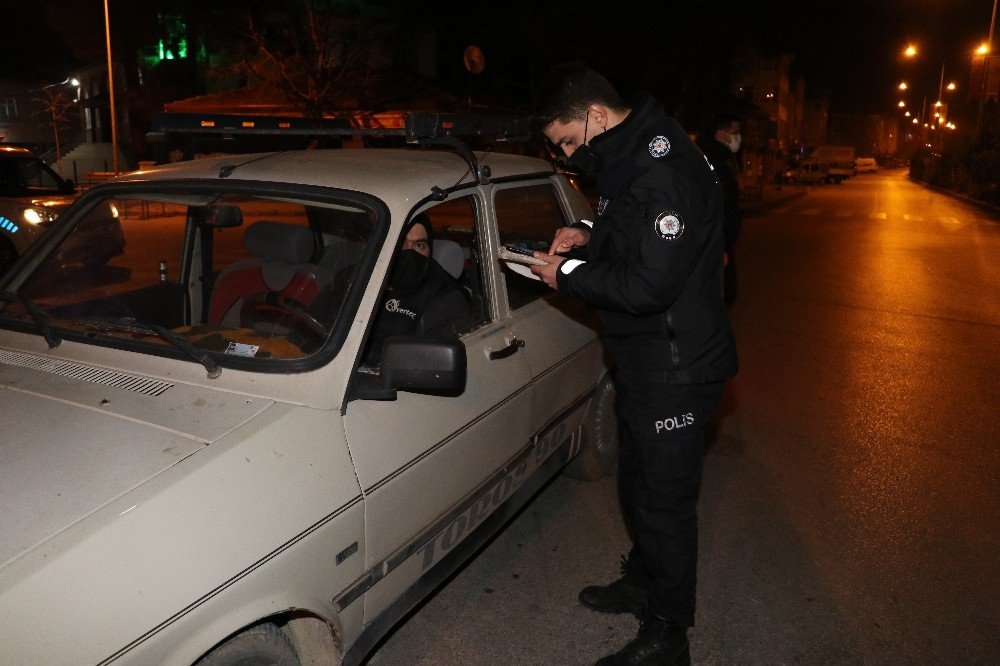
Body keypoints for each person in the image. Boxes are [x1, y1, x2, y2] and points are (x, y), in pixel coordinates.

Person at [530, 64, 738, 665]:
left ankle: (668, 634)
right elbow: (631, 227)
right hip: (646, 357)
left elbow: (648, 283)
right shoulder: (637, 153)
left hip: (676, 365)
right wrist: (584, 233)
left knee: (664, 502)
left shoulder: (660, 167)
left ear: (594, 114)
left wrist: (565, 273)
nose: (569, 154)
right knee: (639, 484)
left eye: (569, 140)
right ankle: (644, 581)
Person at [364, 214, 469, 365]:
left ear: (429, 250)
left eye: (419, 245)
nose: (409, 252)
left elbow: (421, 365)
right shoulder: (359, 277)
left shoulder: (445, 297)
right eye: (401, 243)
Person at [695, 114, 743, 307]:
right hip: (714, 246)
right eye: (736, 132)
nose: (739, 137)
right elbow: (713, 208)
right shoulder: (711, 162)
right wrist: (719, 246)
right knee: (717, 299)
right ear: (721, 134)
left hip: (719, 244)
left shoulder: (718, 159)